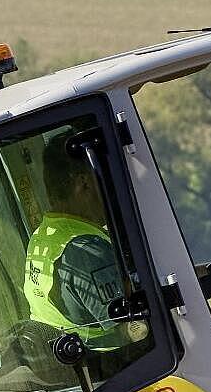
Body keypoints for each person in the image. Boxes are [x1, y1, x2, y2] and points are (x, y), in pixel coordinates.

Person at [14, 129, 147, 367]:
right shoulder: (87, 249)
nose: (113, 190)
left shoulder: (44, 236)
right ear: (84, 183)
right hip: (116, 368)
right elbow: (135, 329)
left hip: (75, 364)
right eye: (106, 179)